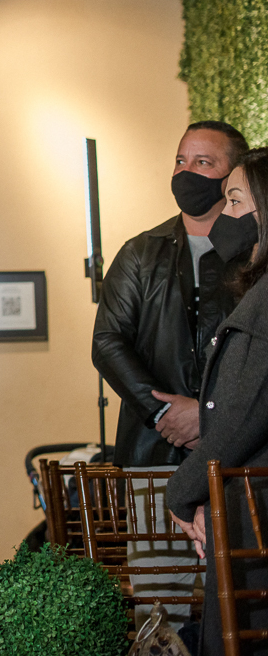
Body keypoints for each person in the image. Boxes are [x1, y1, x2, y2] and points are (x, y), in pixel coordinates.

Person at [93, 121, 250, 628]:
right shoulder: (141, 252)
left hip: (236, 461)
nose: (187, 173)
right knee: (160, 612)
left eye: (203, 163)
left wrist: (206, 416)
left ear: (234, 177)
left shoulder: (253, 259)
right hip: (151, 458)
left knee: (236, 607)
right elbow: (107, 341)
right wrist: (163, 410)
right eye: (181, 161)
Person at [168, 147, 268, 655]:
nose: (223, 216)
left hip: (257, 523)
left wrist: (180, 491)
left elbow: (239, 420)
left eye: (234, 201)